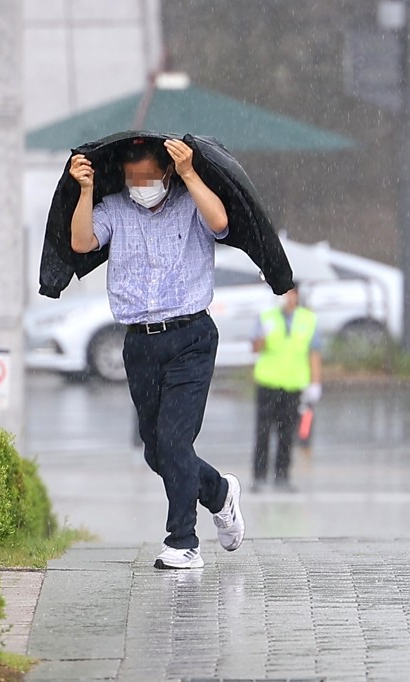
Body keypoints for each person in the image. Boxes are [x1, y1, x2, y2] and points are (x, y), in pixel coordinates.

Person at [69, 137, 245, 570]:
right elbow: (81, 243)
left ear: (166, 173)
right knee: (155, 450)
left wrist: (189, 173)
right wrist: (86, 190)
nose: (141, 185)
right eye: (134, 178)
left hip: (191, 336)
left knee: (174, 441)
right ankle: (219, 493)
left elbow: (221, 222)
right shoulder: (115, 208)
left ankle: (183, 541)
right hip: (140, 341)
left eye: (149, 176)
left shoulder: (190, 200)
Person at [251, 284, 323, 492]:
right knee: (263, 432)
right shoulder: (267, 317)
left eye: (290, 293)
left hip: (293, 384)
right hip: (268, 382)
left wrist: (315, 383)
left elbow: (314, 353)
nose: (286, 298)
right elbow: (255, 348)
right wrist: (262, 336)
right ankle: (259, 476)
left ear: (297, 296)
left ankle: (282, 475)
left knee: (286, 432)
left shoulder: (307, 319)